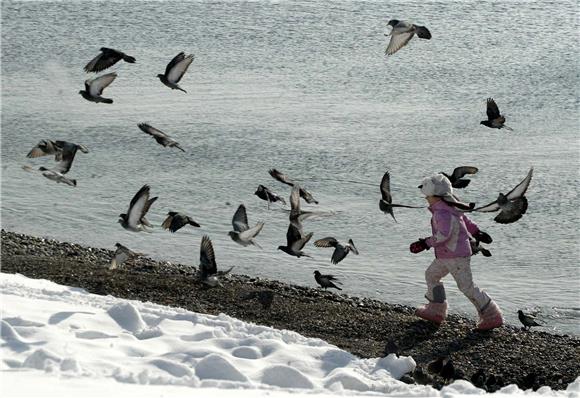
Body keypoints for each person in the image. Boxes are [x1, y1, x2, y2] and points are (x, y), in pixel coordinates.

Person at [409, 174, 503, 330]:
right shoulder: (450, 207)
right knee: (432, 275)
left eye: (428, 196)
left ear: (437, 196)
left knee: (467, 287)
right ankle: (436, 310)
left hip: (456, 256)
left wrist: (425, 243)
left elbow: (443, 236)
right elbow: (465, 220)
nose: (426, 199)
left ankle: (492, 315)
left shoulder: (442, 213)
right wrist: (476, 232)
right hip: (446, 255)